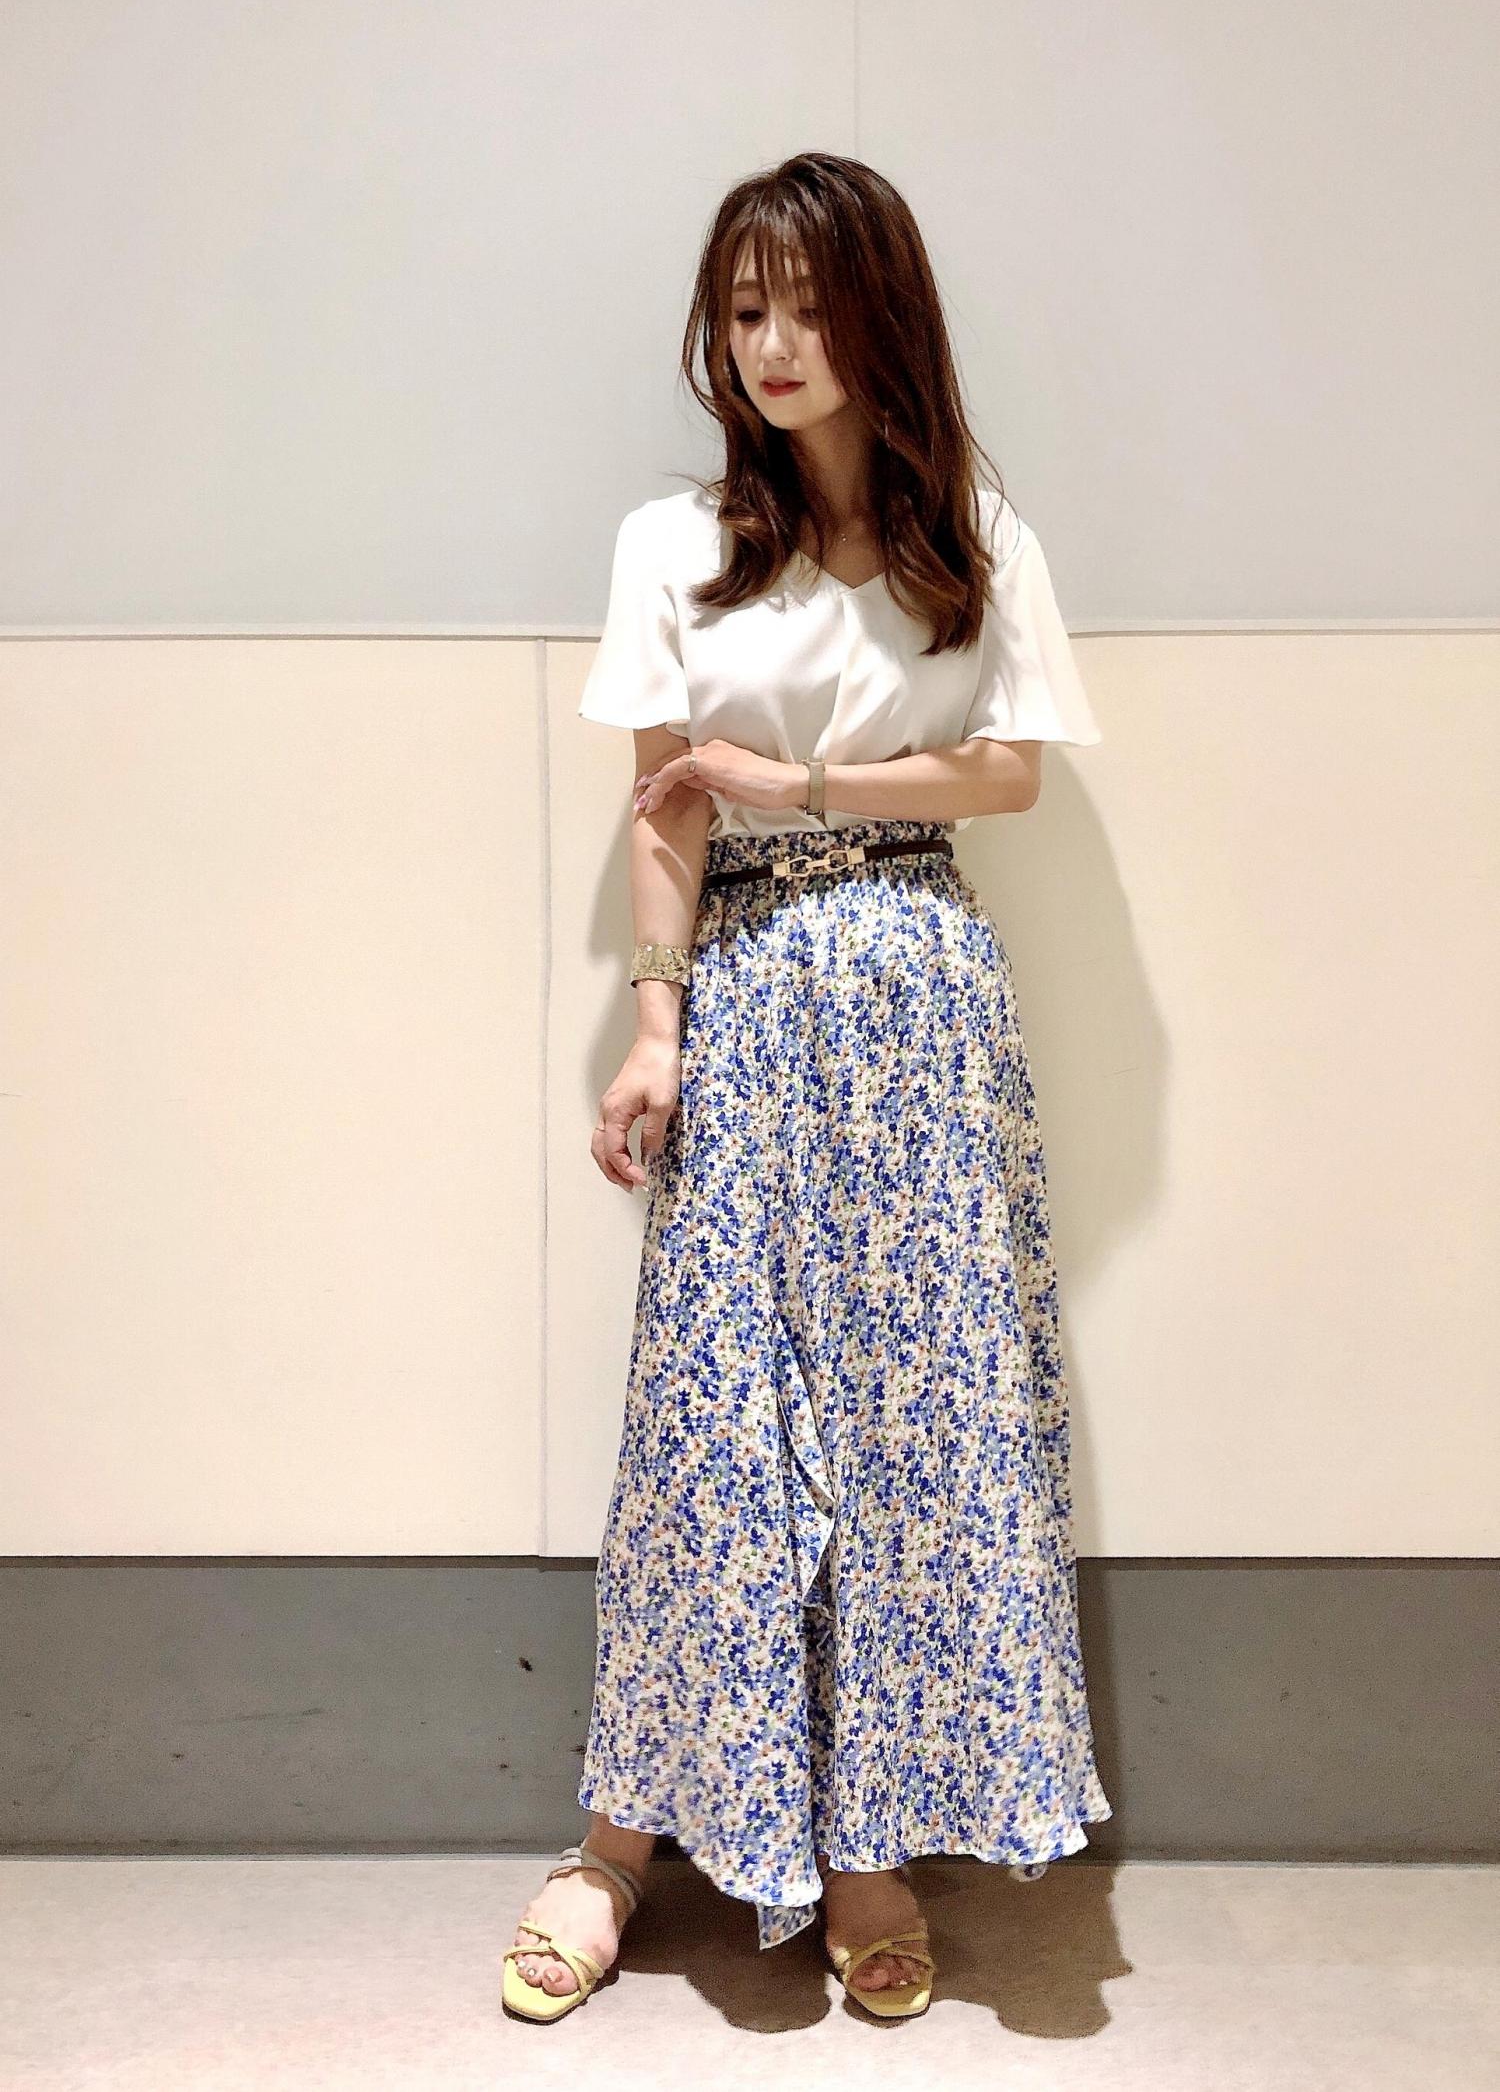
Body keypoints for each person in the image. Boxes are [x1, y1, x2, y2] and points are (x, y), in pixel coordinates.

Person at [503, 150, 1112, 2025]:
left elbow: (1011, 773)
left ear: (879, 312)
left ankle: (871, 1845)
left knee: (914, 1420)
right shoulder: (671, 544)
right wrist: (656, 1022)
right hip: (751, 987)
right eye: (743, 310)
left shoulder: (974, 537)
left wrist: (805, 783)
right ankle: (617, 1843)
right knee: (711, 1422)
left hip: (920, 993)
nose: (771, 345)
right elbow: (663, 808)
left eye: (805, 305)